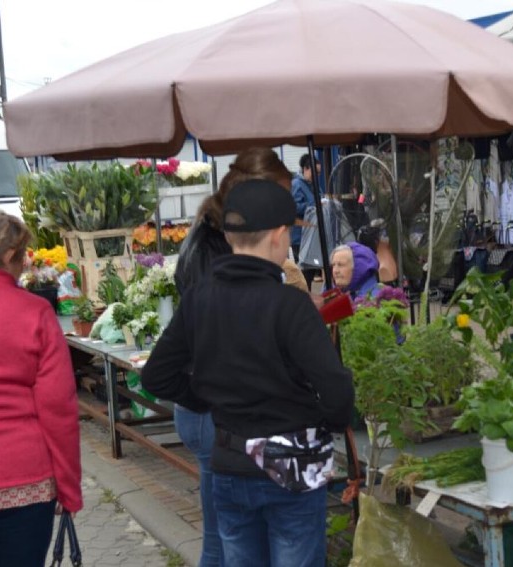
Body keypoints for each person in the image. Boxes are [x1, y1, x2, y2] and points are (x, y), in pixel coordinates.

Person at [142, 179, 354, 567]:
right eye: (289, 232)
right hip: (293, 471)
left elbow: (156, 376)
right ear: (277, 236)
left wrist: (204, 398)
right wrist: (327, 421)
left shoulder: (198, 299)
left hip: (229, 464)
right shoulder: (290, 305)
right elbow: (336, 388)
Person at [172, 147, 308, 567]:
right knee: (232, 545)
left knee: (228, 540)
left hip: (206, 408)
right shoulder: (222, 251)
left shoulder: (208, 233)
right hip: (220, 413)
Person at [0, 207, 82, 566]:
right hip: (24, 480)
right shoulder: (35, 313)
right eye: (23, 254)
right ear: (9, 255)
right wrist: (69, 487)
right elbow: (58, 409)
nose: (26, 263)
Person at [291, 153, 323, 289]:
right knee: (305, 273)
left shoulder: (313, 185)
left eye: (319, 173)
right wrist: (314, 204)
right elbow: (295, 207)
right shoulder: (297, 184)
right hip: (300, 237)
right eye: (315, 172)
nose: (317, 176)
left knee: (310, 269)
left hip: (312, 235)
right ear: (306, 169)